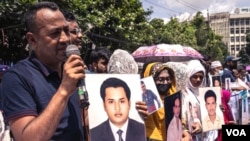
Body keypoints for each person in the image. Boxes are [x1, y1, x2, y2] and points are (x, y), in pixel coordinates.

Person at [1, 2, 85, 140]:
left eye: (66, 30)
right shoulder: (16, 78)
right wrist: (64, 91)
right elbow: (27, 138)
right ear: (33, 40)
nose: (65, 38)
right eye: (55, 33)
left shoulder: (72, 71)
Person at [136, 62, 191, 141]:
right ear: (150, 80)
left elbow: (179, 122)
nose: (165, 82)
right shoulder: (141, 100)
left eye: (168, 79)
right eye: (160, 79)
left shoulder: (173, 97)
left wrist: (184, 131)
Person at [182, 60, 205, 141]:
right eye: (195, 76)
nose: (198, 79)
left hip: (205, 134)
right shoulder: (183, 94)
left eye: (201, 77)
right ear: (188, 76)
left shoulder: (204, 92)